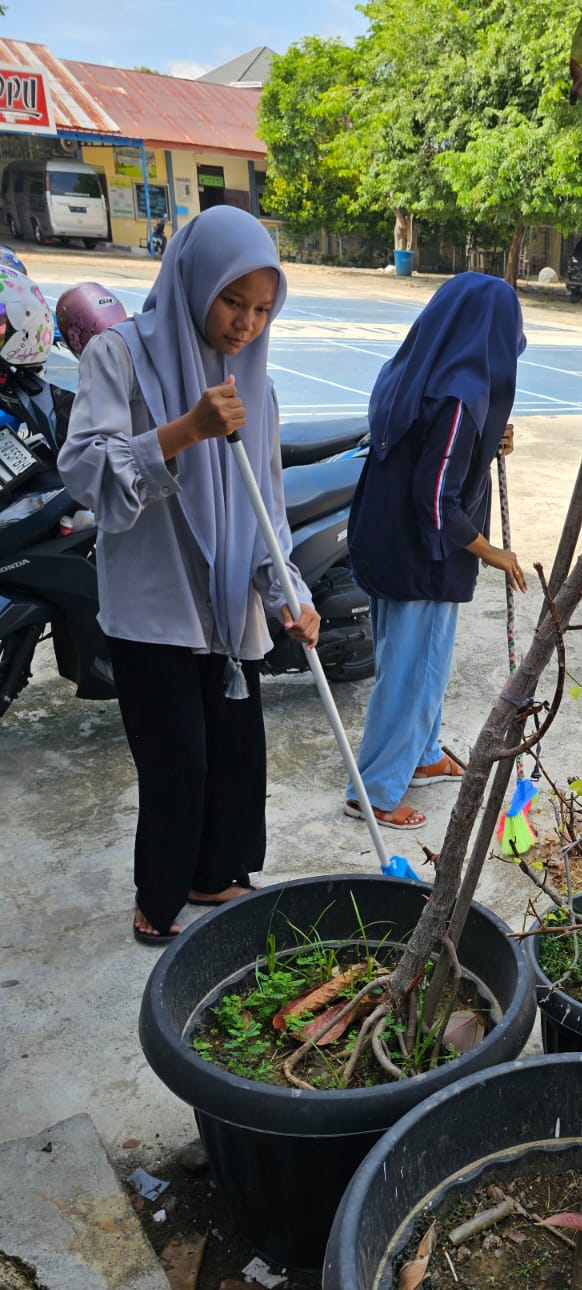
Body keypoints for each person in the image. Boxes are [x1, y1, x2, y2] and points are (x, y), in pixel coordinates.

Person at [59, 205, 319, 946]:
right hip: (157, 605)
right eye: (233, 301)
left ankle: (214, 873)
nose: (246, 324)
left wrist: (290, 595)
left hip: (229, 607)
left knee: (234, 756)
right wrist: (183, 431)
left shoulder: (256, 385)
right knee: (175, 762)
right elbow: (86, 470)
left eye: (263, 309)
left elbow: (265, 508)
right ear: (194, 281)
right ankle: (160, 895)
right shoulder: (118, 355)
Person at [343, 272, 527, 832]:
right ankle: (374, 792)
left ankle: (421, 756)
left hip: (386, 540)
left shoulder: (413, 371)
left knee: (416, 664)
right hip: (421, 557)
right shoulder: (459, 398)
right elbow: (437, 499)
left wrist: (487, 440)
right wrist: (492, 552)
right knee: (413, 673)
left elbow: (431, 450)